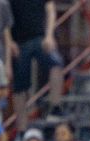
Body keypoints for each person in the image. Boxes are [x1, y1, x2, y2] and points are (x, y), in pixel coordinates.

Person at [8, 0, 65, 133]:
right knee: (19, 87)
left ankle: (55, 106)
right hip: (19, 42)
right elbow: (5, 19)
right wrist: (10, 42)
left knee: (56, 64)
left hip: (40, 37)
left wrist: (49, 35)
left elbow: (50, 10)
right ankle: (21, 130)